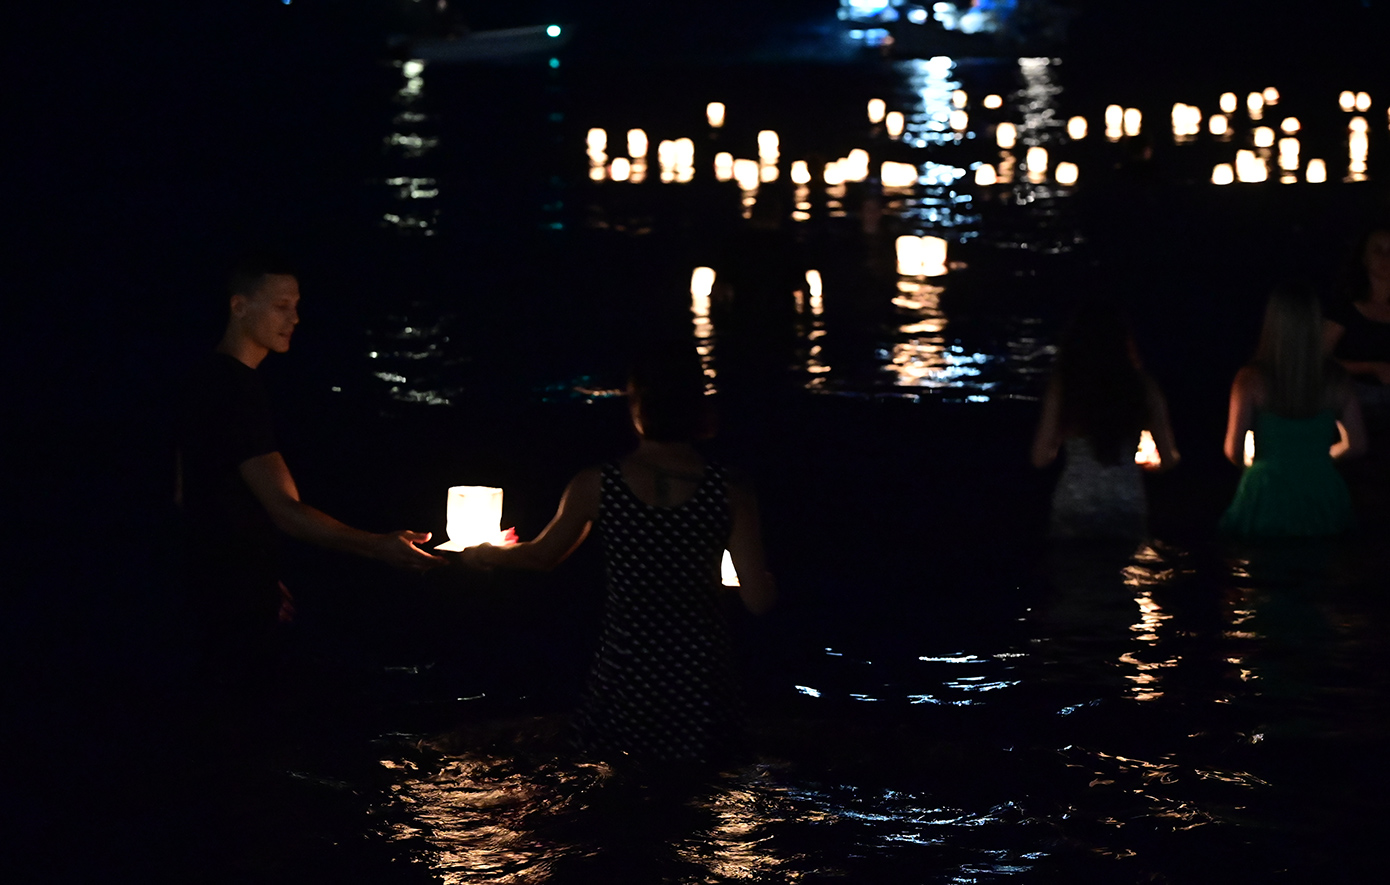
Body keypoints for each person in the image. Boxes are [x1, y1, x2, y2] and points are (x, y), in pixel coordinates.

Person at [457, 348, 776, 766]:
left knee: (619, 776)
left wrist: (485, 554)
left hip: (627, 666)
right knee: (704, 781)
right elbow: (759, 600)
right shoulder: (731, 488)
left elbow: (542, 557)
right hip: (700, 670)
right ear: (699, 406)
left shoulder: (597, 484)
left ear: (636, 405)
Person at [176, 252, 444, 685]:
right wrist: (378, 546)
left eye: (297, 306)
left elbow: (189, 494)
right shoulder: (235, 391)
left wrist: (249, 574)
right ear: (239, 305)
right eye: (282, 306)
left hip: (213, 588)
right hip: (226, 604)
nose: (295, 318)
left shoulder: (204, 379)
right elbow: (285, 510)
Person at [1221, 284, 1368, 537]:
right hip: (1320, 485)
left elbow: (1233, 450)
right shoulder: (1337, 379)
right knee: (1323, 562)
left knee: (1261, 563)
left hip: (1266, 489)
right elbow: (1358, 445)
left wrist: (1267, 466)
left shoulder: (1250, 379)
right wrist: (1315, 459)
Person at [1030, 302, 1179, 541]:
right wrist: (1148, 464)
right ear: (1123, 341)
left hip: (1075, 502)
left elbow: (1039, 459)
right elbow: (1169, 459)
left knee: (1074, 572)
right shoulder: (1142, 386)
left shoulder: (1065, 385)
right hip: (1126, 500)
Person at [1323, 219, 1390, 392]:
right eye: (1378, 251)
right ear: (1364, 258)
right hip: (1354, 398)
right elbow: (1320, 357)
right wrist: (1370, 367)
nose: (1385, 258)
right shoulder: (1345, 308)